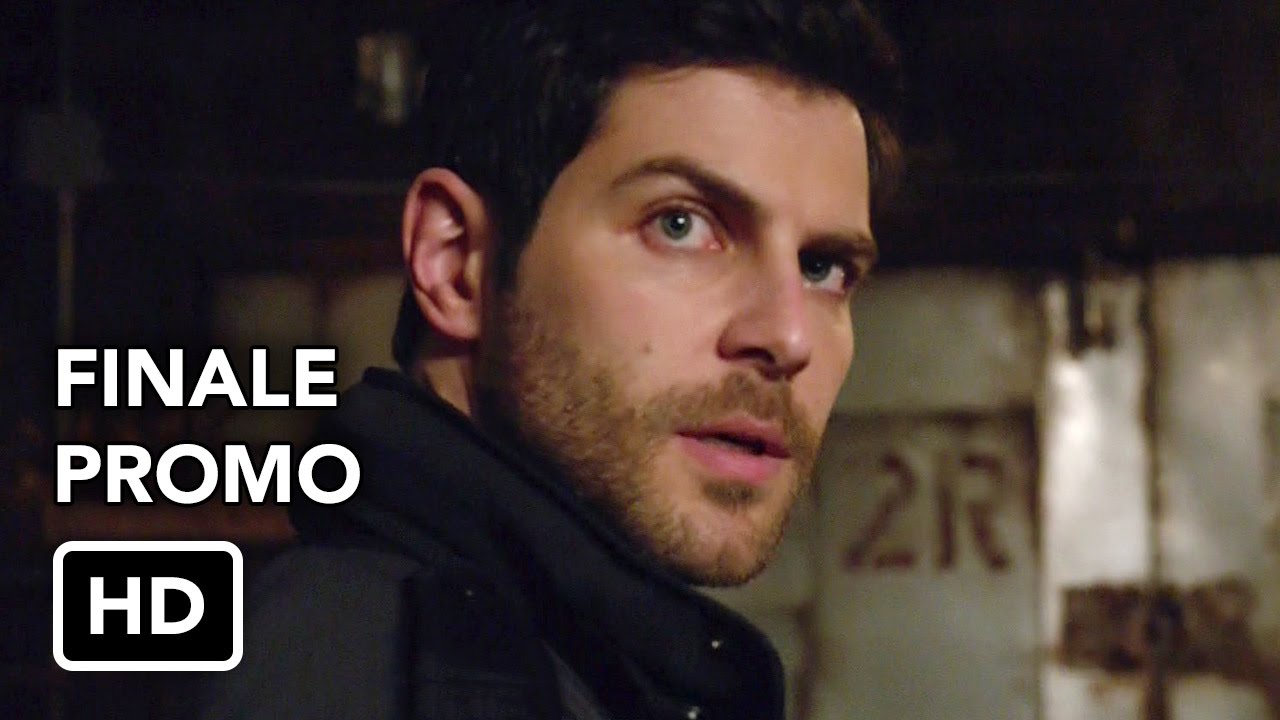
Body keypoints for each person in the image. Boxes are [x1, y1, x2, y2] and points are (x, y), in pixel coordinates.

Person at [202, 1, 901, 718]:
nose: (789, 337)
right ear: (457, 264)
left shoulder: (555, 666)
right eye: (680, 225)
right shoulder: (366, 678)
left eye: (822, 267)